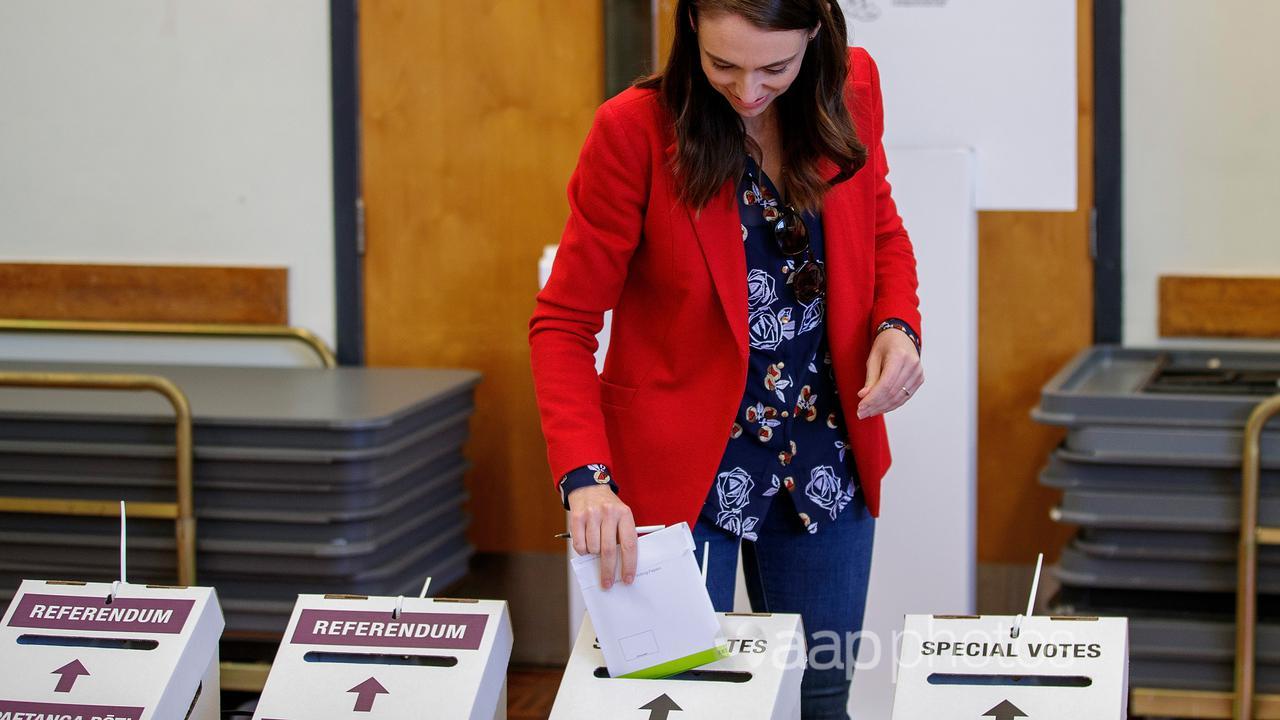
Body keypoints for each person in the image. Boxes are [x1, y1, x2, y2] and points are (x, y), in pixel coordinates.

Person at [529, 1, 922, 716]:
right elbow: (563, 322)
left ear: (816, 34)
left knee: (821, 693)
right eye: (722, 65)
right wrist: (584, 476)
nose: (746, 92)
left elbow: (882, 225)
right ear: (690, 38)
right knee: (679, 700)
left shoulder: (853, 88)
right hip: (679, 474)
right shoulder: (634, 131)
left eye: (774, 67)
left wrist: (899, 326)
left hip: (823, 454)